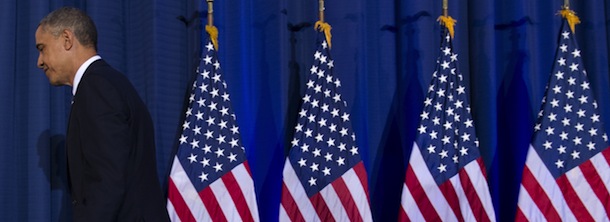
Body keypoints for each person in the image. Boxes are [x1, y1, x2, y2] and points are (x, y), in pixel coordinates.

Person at [35, 7, 170, 222]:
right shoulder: (108, 83)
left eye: (42, 48)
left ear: (67, 39)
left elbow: (107, 182)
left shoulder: (97, 88)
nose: (39, 61)